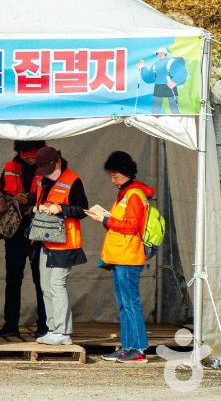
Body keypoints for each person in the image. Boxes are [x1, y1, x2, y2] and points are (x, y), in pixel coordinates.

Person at [85, 150, 153, 364]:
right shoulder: (127, 193)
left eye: (115, 175)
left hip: (128, 256)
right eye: (111, 176)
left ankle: (138, 349)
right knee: (124, 304)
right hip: (121, 256)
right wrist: (107, 219)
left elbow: (131, 226)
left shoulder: (134, 195)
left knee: (130, 303)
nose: (113, 180)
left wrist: (104, 220)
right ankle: (127, 348)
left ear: (125, 172)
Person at [32, 146, 88, 346]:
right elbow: (38, 200)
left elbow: (82, 210)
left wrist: (61, 208)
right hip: (45, 240)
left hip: (65, 243)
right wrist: (37, 207)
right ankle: (52, 328)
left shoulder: (73, 180)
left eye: (50, 169)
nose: (47, 174)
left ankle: (63, 332)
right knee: (46, 286)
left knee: (57, 285)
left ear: (58, 161)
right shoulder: (42, 180)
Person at [0, 140, 48, 340]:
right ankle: (11, 324)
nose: (30, 159)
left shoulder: (48, 169)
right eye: (26, 156)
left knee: (41, 280)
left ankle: (44, 325)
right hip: (16, 232)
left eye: (33, 156)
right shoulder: (10, 167)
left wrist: (34, 199)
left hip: (39, 230)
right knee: (13, 279)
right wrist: (13, 198)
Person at [137, 47, 188, 114]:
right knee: (156, 108)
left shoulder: (172, 61)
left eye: (162, 53)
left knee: (174, 107)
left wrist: (175, 81)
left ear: (165, 53)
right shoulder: (155, 65)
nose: (160, 54)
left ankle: (178, 117)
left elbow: (182, 71)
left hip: (170, 85)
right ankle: (155, 118)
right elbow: (149, 78)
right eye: (158, 53)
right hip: (158, 86)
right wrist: (143, 68)